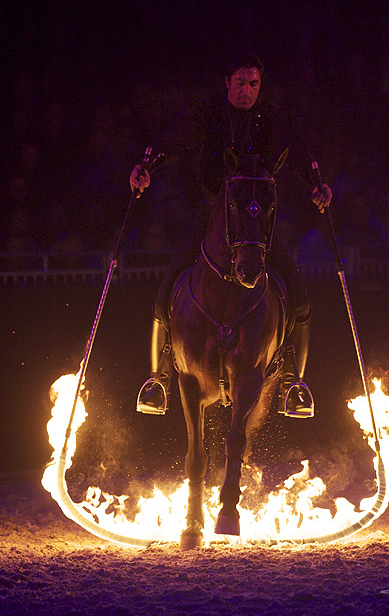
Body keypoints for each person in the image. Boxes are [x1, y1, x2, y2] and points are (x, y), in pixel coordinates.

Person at [130, 55, 332, 417]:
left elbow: (298, 152)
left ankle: (293, 384)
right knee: (164, 295)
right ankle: (158, 377)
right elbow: (177, 139)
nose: (247, 91)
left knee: (299, 299)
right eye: (241, 83)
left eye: (254, 84)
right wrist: (148, 165)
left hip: (255, 223)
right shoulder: (207, 114)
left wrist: (316, 185)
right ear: (227, 82)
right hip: (214, 214)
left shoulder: (273, 118)